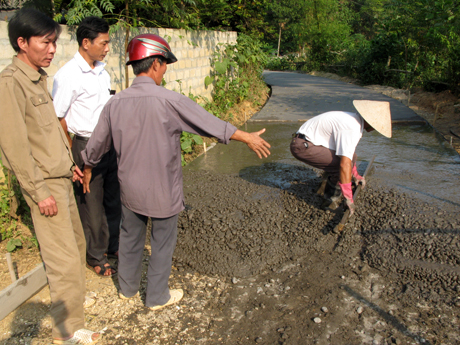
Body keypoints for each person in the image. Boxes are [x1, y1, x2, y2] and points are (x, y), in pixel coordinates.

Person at [81, 33, 271, 310]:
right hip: (162, 190)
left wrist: (87, 166)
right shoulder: (170, 101)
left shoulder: (115, 103)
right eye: (165, 64)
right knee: (161, 241)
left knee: (130, 236)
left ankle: (127, 288)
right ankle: (157, 297)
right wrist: (247, 138)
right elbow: (209, 124)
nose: (165, 70)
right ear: (156, 63)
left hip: (129, 188)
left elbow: (97, 145)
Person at [0, 8, 101, 344]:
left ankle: (74, 320)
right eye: (45, 42)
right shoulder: (11, 84)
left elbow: (47, 132)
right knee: (65, 262)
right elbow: (15, 147)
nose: (52, 49)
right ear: (22, 42)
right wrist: (37, 191)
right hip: (45, 188)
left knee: (76, 246)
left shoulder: (39, 80)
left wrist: (66, 162)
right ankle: (67, 333)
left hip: (60, 179)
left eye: (54, 42)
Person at [52, 16, 121, 277]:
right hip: (85, 144)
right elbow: (58, 116)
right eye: (103, 43)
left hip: (109, 143)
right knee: (90, 202)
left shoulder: (101, 70)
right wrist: (71, 152)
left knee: (114, 198)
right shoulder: (68, 75)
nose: (107, 48)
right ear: (85, 43)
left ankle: (114, 244)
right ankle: (95, 254)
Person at [290, 100, 392, 214]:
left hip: (307, 141)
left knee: (351, 156)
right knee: (340, 169)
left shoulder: (353, 120)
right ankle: (329, 202)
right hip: (302, 146)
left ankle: (323, 186)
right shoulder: (352, 127)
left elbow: (348, 156)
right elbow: (344, 164)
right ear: (371, 122)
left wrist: (356, 175)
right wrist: (348, 196)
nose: (374, 130)